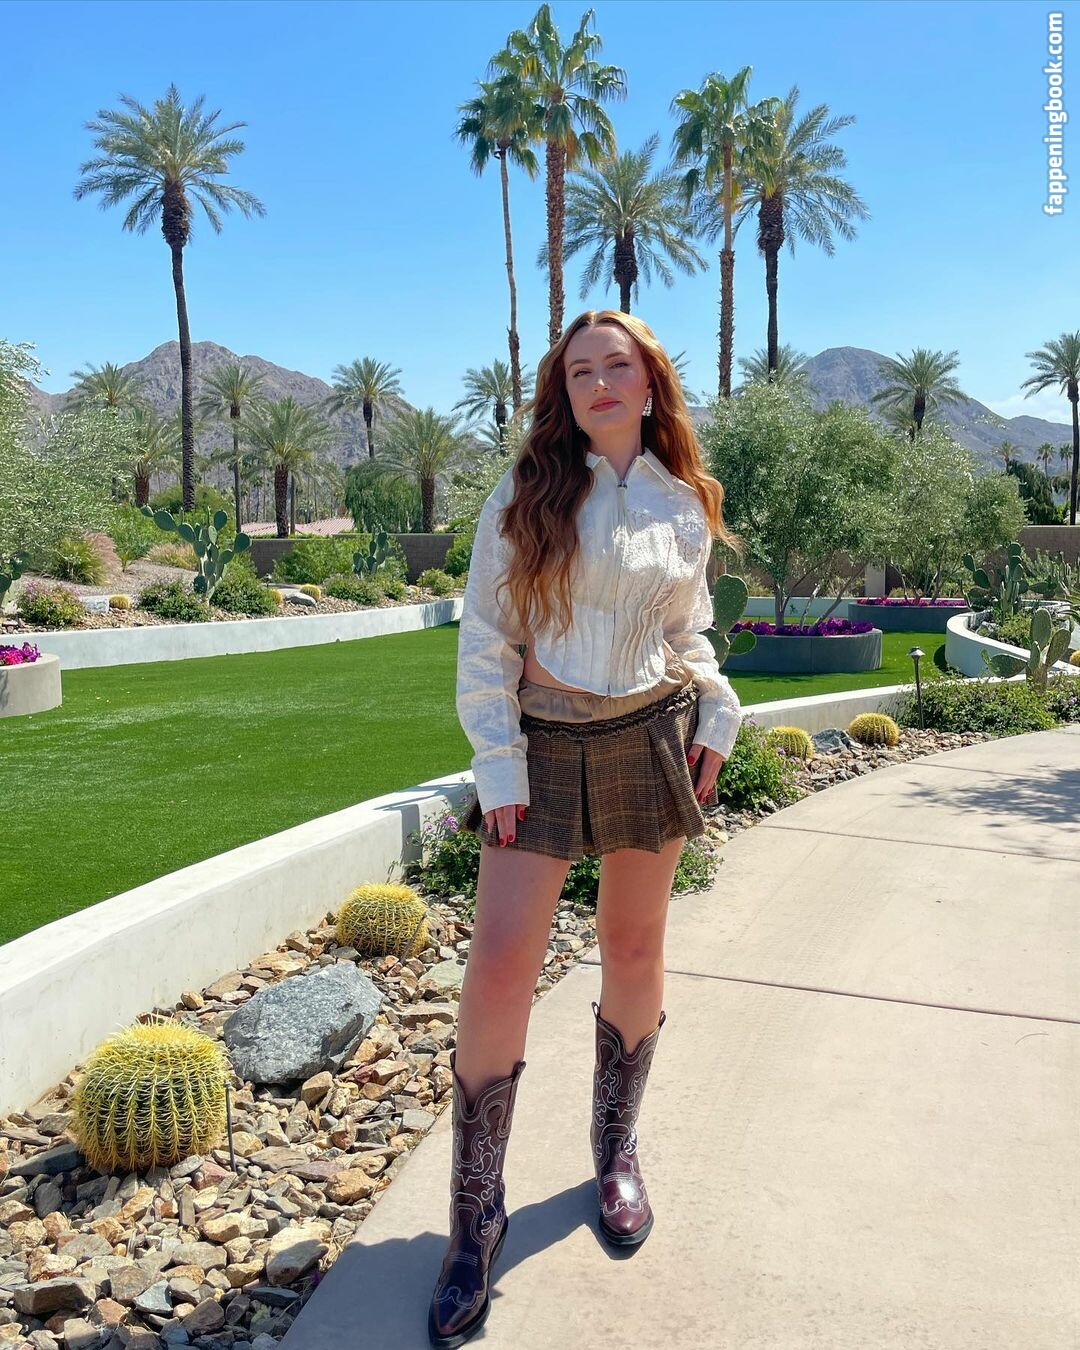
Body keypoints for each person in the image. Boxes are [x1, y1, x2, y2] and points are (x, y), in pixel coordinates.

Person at [428, 309, 745, 1348]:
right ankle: (475, 1214)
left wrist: (718, 708)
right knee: (501, 964)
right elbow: (488, 637)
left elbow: (685, 631)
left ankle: (617, 1153)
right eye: (580, 371)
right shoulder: (526, 493)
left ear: (650, 384)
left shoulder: (683, 500)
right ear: (562, 393)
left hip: (651, 733)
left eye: (619, 365)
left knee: (636, 948)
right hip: (544, 740)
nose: (600, 382)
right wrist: (498, 759)